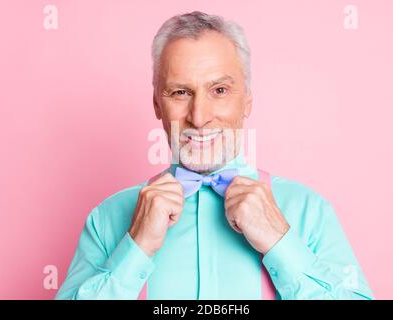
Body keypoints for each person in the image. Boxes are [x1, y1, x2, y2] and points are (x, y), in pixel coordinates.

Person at [56, 11, 374, 300]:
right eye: (180, 92)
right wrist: (135, 249)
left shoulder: (309, 211)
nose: (199, 115)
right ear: (157, 104)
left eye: (219, 90)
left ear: (247, 100)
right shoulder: (107, 219)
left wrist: (281, 244)